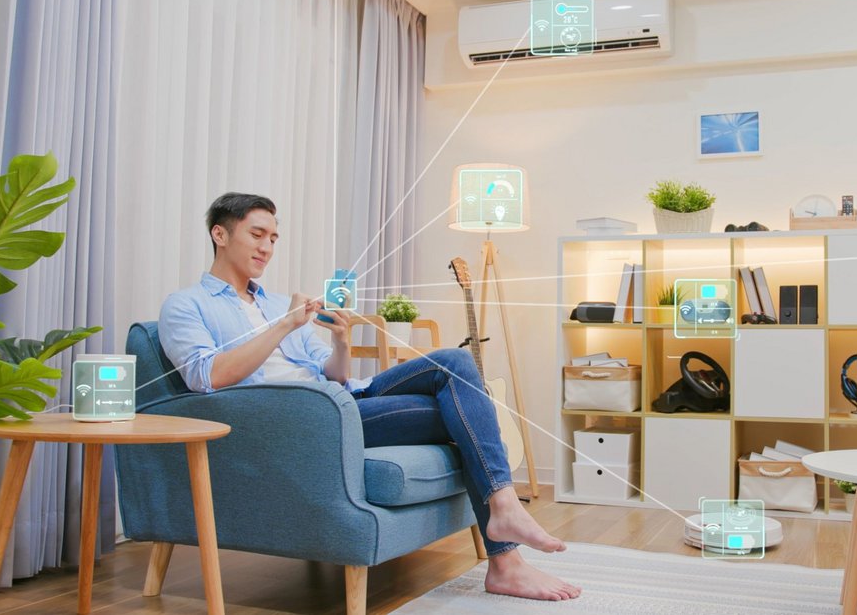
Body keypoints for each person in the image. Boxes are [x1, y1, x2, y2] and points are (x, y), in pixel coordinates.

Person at [159, 192, 581, 602]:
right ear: (220, 234)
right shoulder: (186, 305)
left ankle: (504, 514)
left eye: (273, 238)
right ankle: (505, 557)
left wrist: (341, 340)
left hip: (345, 399)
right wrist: (285, 326)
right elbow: (206, 377)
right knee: (464, 409)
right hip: (305, 418)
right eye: (257, 234)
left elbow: (336, 374)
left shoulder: (274, 304)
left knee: (453, 362)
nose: (267, 247)